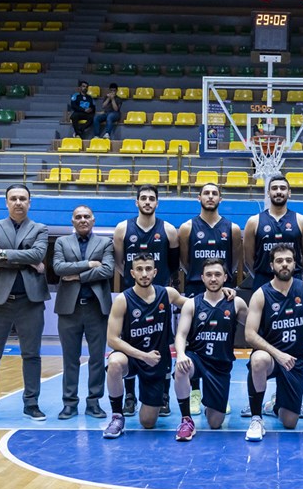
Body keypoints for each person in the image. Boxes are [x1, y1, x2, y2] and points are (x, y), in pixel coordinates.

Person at [0, 184, 50, 425]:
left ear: (29, 203)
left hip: (30, 301)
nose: (18, 202)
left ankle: (31, 404)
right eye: (13, 198)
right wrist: (25, 258)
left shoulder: (40, 229)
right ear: (6, 203)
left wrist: (4, 254)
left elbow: (37, 255)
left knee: (32, 355)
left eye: (23, 199)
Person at [242, 243, 303, 441]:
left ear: (295, 264)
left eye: (288, 260)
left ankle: (275, 405)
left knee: (290, 422)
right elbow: (249, 335)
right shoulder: (261, 294)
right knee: (258, 360)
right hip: (271, 357)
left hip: (294, 360)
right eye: (279, 261)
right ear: (271, 265)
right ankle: (256, 418)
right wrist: (278, 354)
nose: (284, 264)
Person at [102, 253, 193, 438]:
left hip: (157, 361)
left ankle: (149, 403)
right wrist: (143, 356)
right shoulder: (122, 300)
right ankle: (117, 416)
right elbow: (112, 339)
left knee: (148, 422)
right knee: (114, 362)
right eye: (139, 269)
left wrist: (221, 292)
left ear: (155, 272)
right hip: (132, 357)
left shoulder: (167, 294)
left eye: (148, 269)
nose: (144, 273)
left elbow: (197, 305)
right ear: (132, 273)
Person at [113, 184, 180, 417]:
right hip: (132, 299)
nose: (148, 202)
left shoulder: (169, 230)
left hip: (160, 298)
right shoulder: (123, 229)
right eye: (144, 198)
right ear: (137, 202)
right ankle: (130, 396)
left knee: (164, 346)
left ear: (157, 203)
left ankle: (164, 396)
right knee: (130, 344)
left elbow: (173, 265)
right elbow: (120, 263)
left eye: (152, 198)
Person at [178, 181, 242, 415]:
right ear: (199, 198)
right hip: (196, 286)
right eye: (206, 193)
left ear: (220, 199)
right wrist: (201, 277)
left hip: (221, 288)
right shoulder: (187, 227)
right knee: (193, 342)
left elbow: (235, 261)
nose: (210, 197)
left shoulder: (232, 228)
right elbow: (185, 261)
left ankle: (218, 392)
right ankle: (195, 392)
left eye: (215, 193)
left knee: (221, 340)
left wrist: (222, 280)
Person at [172, 259, 249, 440]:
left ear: (225, 277)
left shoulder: (237, 303)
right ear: (202, 278)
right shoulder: (192, 304)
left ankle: (211, 403)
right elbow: (181, 335)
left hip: (220, 365)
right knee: (181, 368)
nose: (213, 278)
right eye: (209, 275)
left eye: (217, 274)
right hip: (197, 358)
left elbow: (254, 327)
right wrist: (181, 354)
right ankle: (186, 420)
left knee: (215, 423)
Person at [51, 205, 114, 420]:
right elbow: (59, 268)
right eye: (78, 217)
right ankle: (69, 403)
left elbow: (107, 270)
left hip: (97, 309)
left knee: (97, 358)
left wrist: (78, 276)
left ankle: (94, 403)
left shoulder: (105, 242)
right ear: (73, 221)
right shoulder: (62, 242)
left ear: (93, 220)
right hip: (69, 309)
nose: (83, 220)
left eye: (87, 216)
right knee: (70, 359)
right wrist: (89, 264)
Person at [242, 173, 303, 290]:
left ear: (289, 193)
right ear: (268, 193)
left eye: (283, 188)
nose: (279, 191)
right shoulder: (254, 221)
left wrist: (294, 274)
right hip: (263, 280)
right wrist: (260, 276)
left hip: (293, 280)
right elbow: (248, 260)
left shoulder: (302, 221)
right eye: (274, 188)